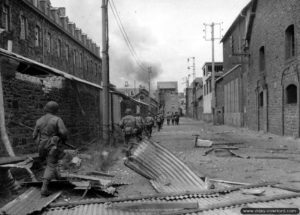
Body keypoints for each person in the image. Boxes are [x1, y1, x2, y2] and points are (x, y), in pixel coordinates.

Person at [33, 101, 68, 197]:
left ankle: (58, 178)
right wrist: (62, 140)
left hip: (42, 147)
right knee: (51, 164)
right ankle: (44, 189)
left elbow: (34, 136)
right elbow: (64, 133)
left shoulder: (39, 120)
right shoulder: (57, 119)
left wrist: (41, 143)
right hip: (53, 146)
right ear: (55, 110)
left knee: (50, 162)